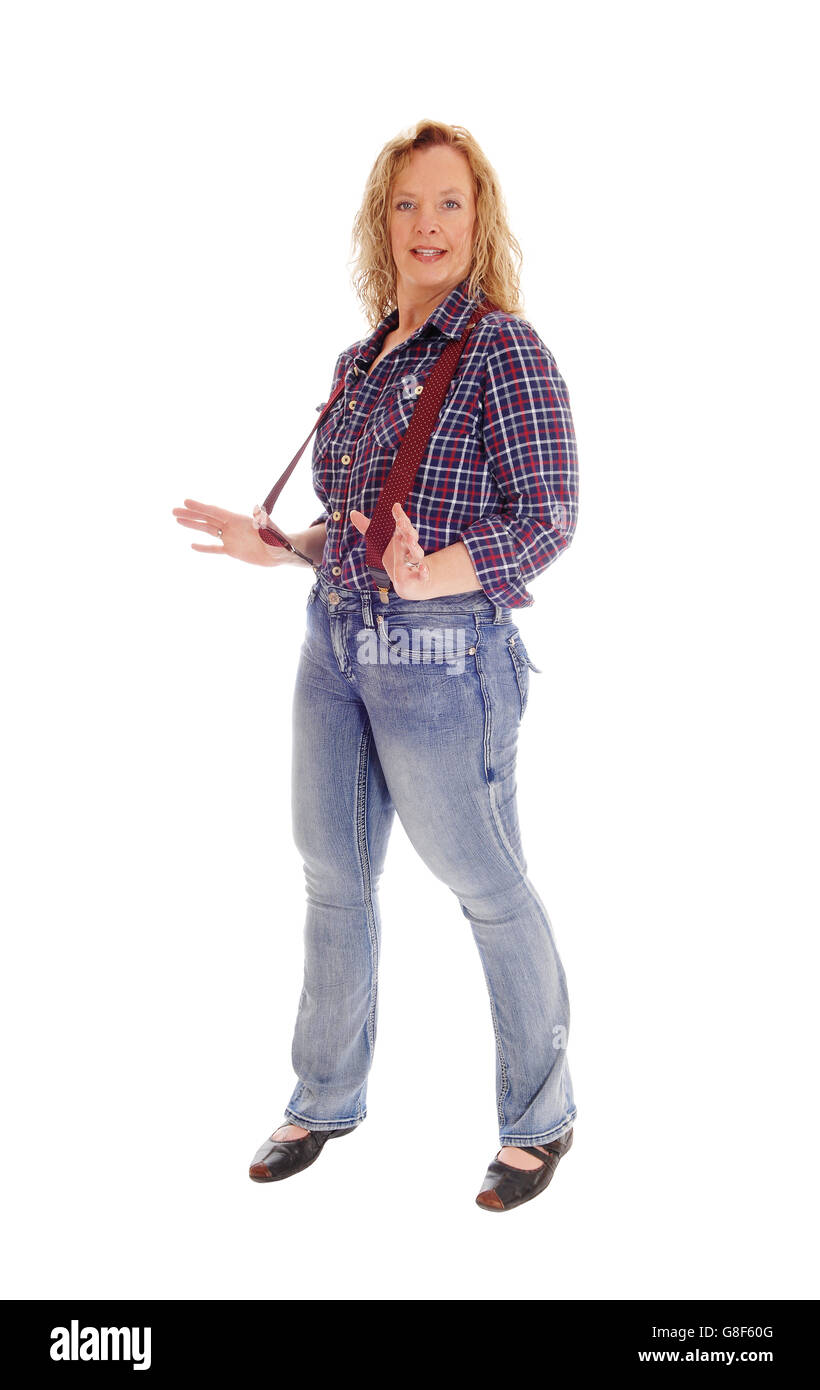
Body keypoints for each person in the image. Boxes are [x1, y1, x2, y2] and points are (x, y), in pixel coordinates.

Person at [172, 119, 579, 1212]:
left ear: (478, 220)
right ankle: (324, 1097)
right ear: (380, 224)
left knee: (487, 888)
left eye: (448, 203)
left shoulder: (504, 350)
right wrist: (285, 546)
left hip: (444, 660)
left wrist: (434, 570)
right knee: (333, 880)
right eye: (406, 204)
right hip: (334, 648)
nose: (426, 224)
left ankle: (541, 1117)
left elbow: (546, 519)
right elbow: (348, 528)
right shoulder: (359, 362)